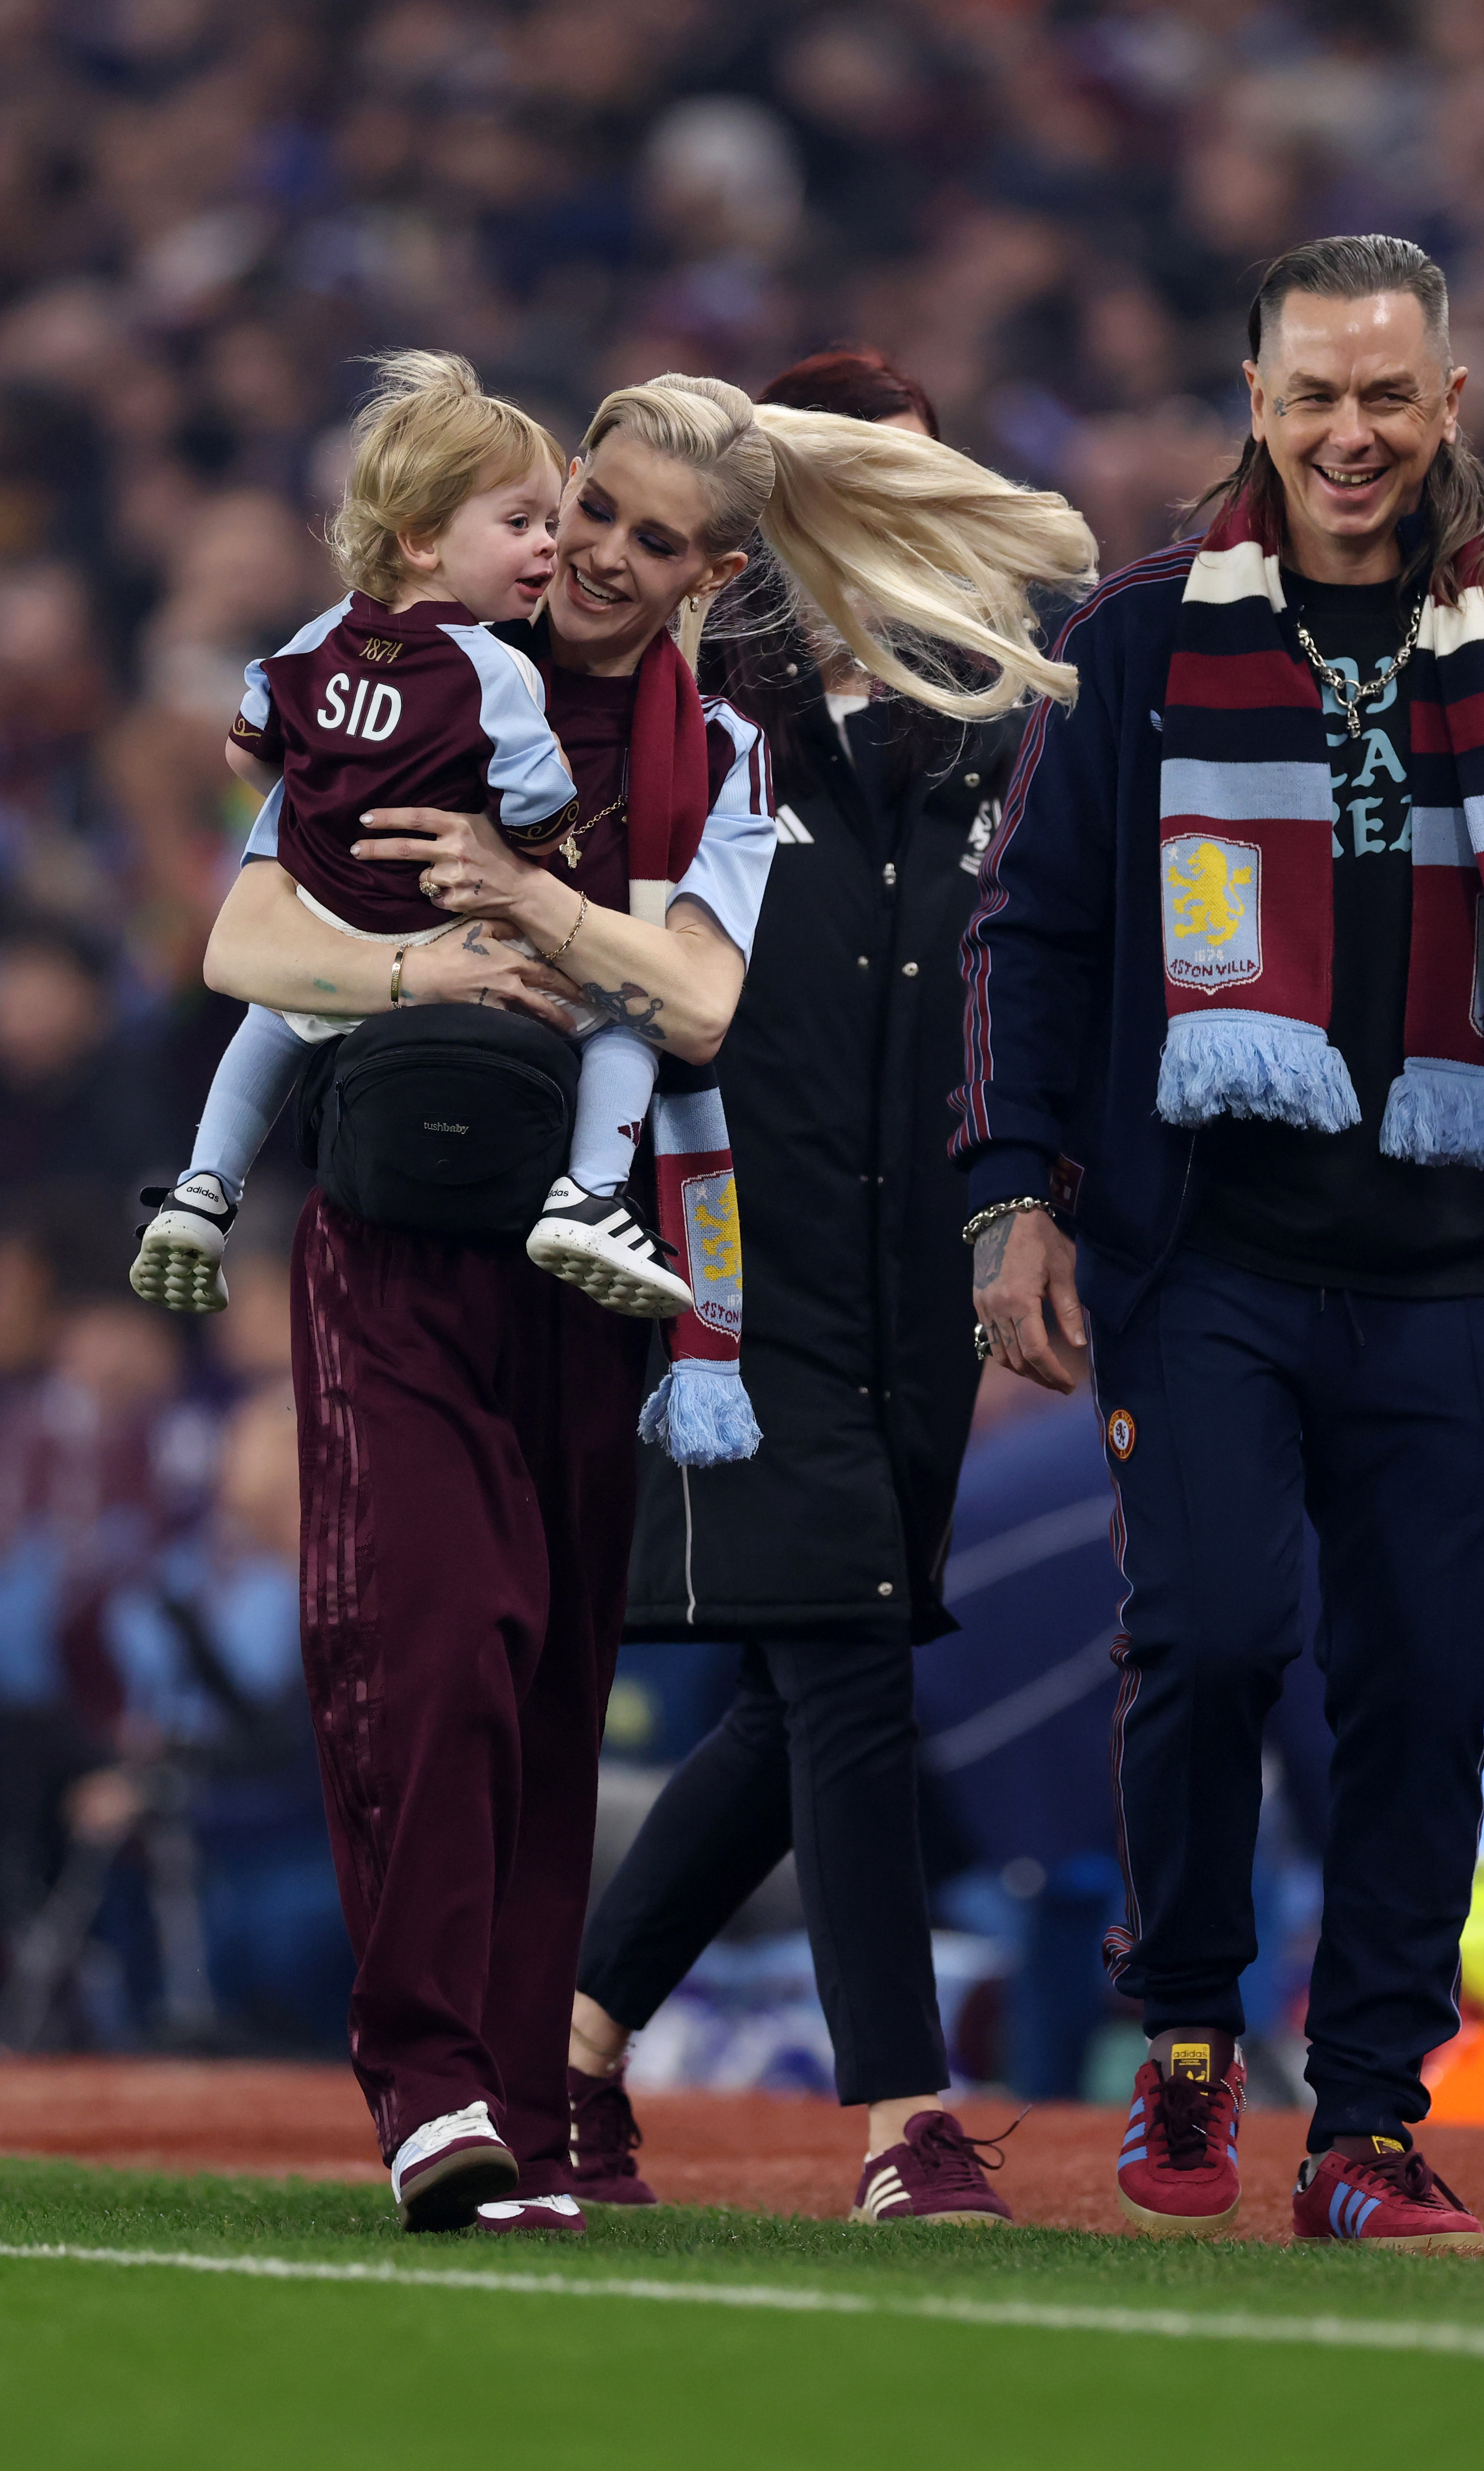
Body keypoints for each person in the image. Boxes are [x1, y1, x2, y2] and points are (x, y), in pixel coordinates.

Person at [199, 369, 1093, 2235]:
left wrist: (517, 899)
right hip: (438, 1233)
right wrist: (409, 958)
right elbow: (242, 934)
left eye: (647, 538)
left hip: (629, 1272)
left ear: (709, 577)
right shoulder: (423, 661)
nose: (594, 552)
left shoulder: (743, 749)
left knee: (569, 1680)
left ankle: (543, 2080)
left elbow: (698, 1004)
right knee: (453, 1651)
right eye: (584, 508)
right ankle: (472, 2082)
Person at [955, 234, 1484, 2249]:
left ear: (1448, 403)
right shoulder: (1132, 640)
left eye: (1386, 394)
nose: (1350, 431)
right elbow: (1030, 932)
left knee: (1418, 1688)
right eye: (1312, 393)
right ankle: (1195, 2033)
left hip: (1442, 1265)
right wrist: (1004, 1191)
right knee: (1207, 1639)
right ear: (1252, 400)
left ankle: (1370, 2119)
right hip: (1195, 1250)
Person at [564, 349, 1086, 2226]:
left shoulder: (997, 729)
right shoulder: (707, 714)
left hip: (914, 1251)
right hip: (734, 1236)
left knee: (812, 1682)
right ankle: (901, 2119)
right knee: (851, 1655)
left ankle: (575, 2048)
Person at [131, 352, 693, 1326]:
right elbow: (538, 813)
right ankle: (593, 1195)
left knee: (270, 1020)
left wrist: (317, 809)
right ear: (423, 541)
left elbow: (245, 755)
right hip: (446, 936)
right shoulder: (492, 671)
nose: (550, 550)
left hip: (325, 932)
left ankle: (202, 1188)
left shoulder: (305, 644)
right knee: (627, 1014)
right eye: (520, 524)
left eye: (552, 525)